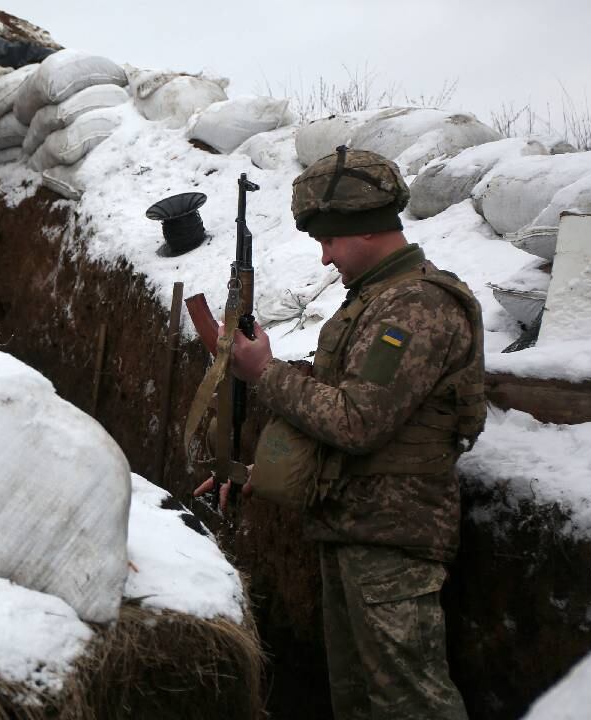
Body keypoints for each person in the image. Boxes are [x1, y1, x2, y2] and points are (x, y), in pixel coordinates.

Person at [198, 146, 485, 719]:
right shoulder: (377, 301)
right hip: (352, 525)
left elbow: (356, 420)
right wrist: (264, 471)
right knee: (356, 700)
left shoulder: (414, 307)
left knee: (410, 705)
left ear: (365, 231)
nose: (326, 258)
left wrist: (264, 373)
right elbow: (344, 407)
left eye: (328, 241)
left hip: (391, 540)